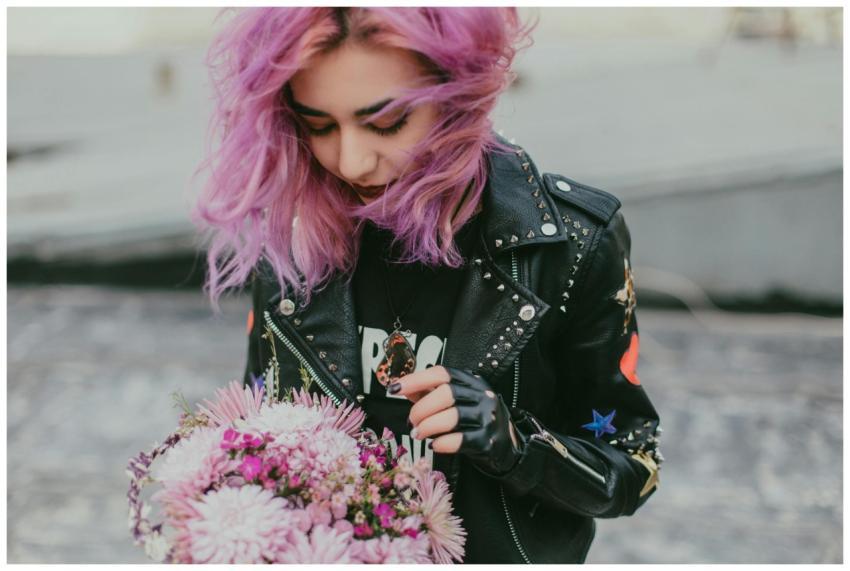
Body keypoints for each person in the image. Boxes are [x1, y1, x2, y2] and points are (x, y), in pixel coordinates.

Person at [193, 7, 663, 564]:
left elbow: (632, 465)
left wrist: (516, 446)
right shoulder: (293, 234)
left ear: (458, 93)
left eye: (386, 122)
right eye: (318, 125)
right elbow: (256, 431)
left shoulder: (572, 243)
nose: (351, 159)